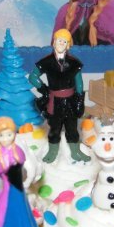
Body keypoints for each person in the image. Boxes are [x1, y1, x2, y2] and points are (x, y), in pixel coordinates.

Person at [29, 28, 90, 163]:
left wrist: (79, 100)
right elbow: (33, 77)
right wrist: (44, 89)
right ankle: (52, 151)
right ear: (54, 42)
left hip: (70, 101)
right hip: (54, 101)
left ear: (68, 45)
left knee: (72, 127)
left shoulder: (74, 63)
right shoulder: (46, 61)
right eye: (59, 40)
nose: (61, 43)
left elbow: (79, 83)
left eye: (64, 41)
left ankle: (75, 151)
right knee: (54, 128)